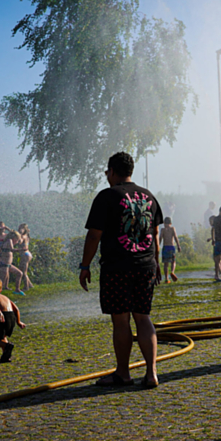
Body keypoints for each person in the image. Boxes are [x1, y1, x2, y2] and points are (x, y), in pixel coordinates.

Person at [80, 152, 163, 388]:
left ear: (112, 171)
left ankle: (123, 374)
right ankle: (151, 374)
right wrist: (156, 262)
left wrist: (85, 266)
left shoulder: (107, 196)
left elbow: (94, 235)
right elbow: (154, 235)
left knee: (121, 320)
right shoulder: (149, 196)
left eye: (107, 172)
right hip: (145, 265)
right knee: (143, 317)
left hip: (117, 267)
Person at [0, 277, 25, 363]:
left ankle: (6, 346)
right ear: (0, 290)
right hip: (12, 317)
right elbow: (16, 309)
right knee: (3, 337)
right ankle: (6, 356)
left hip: (2, 317)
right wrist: (18, 322)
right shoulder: (5, 297)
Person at [0, 230, 24, 294]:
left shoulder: (6, 242)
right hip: (4, 264)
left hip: (8, 264)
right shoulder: (9, 241)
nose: (17, 242)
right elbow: (12, 249)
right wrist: (21, 249)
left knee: (20, 273)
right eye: (17, 240)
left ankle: (17, 289)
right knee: (2, 280)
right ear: (13, 238)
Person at [159, 217, 181, 283]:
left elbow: (160, 238)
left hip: (165, 247)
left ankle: (166, 279)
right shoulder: (172, 229)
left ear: (164, 223)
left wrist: (158, 246)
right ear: (170, 223)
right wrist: (178, 246)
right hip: (171, 247)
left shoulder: (162, 230)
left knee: (166, 264)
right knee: (173, 261)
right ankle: (172, 272)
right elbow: (175, 237)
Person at [17, 223, 34, 292]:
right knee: (22, 270)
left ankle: (26, 287)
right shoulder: (26, 235)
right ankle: (30, 285)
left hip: (25, 254)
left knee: (24, 272)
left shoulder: (23, 236)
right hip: (27, 254)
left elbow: (20, 242)